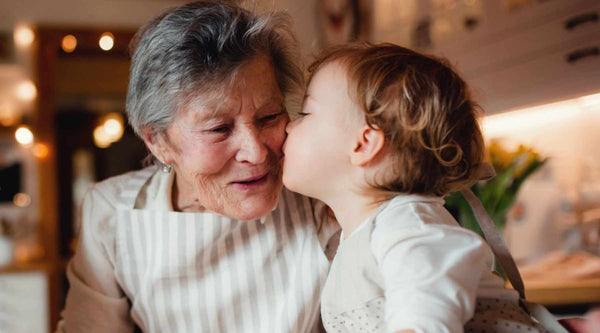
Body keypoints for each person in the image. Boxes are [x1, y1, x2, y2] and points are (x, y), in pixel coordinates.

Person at [57, 1, 339, 332]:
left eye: (269, 117)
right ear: (158, 141)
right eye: (219, 129)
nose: (257, 153)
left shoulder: (321, 198)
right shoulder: (111, 215)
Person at [282, 43, 549, 332]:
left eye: (305, 113)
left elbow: (425, 316)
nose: (287, 126)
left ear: (363, 144)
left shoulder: (407, 225)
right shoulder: (359, 236)